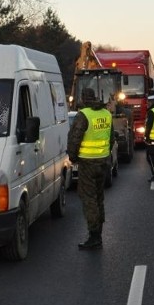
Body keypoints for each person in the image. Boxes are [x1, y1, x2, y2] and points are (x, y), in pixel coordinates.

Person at [67, 87, 114, 250]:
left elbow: (75, 138)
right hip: (103, 162)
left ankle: (94, 236)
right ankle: (98, 232)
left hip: (87, 164)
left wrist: (72, 157)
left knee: (89, 199)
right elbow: (111, 138)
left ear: (83, 98)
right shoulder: (106, 114)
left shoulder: (83, 115)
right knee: (99, 197)